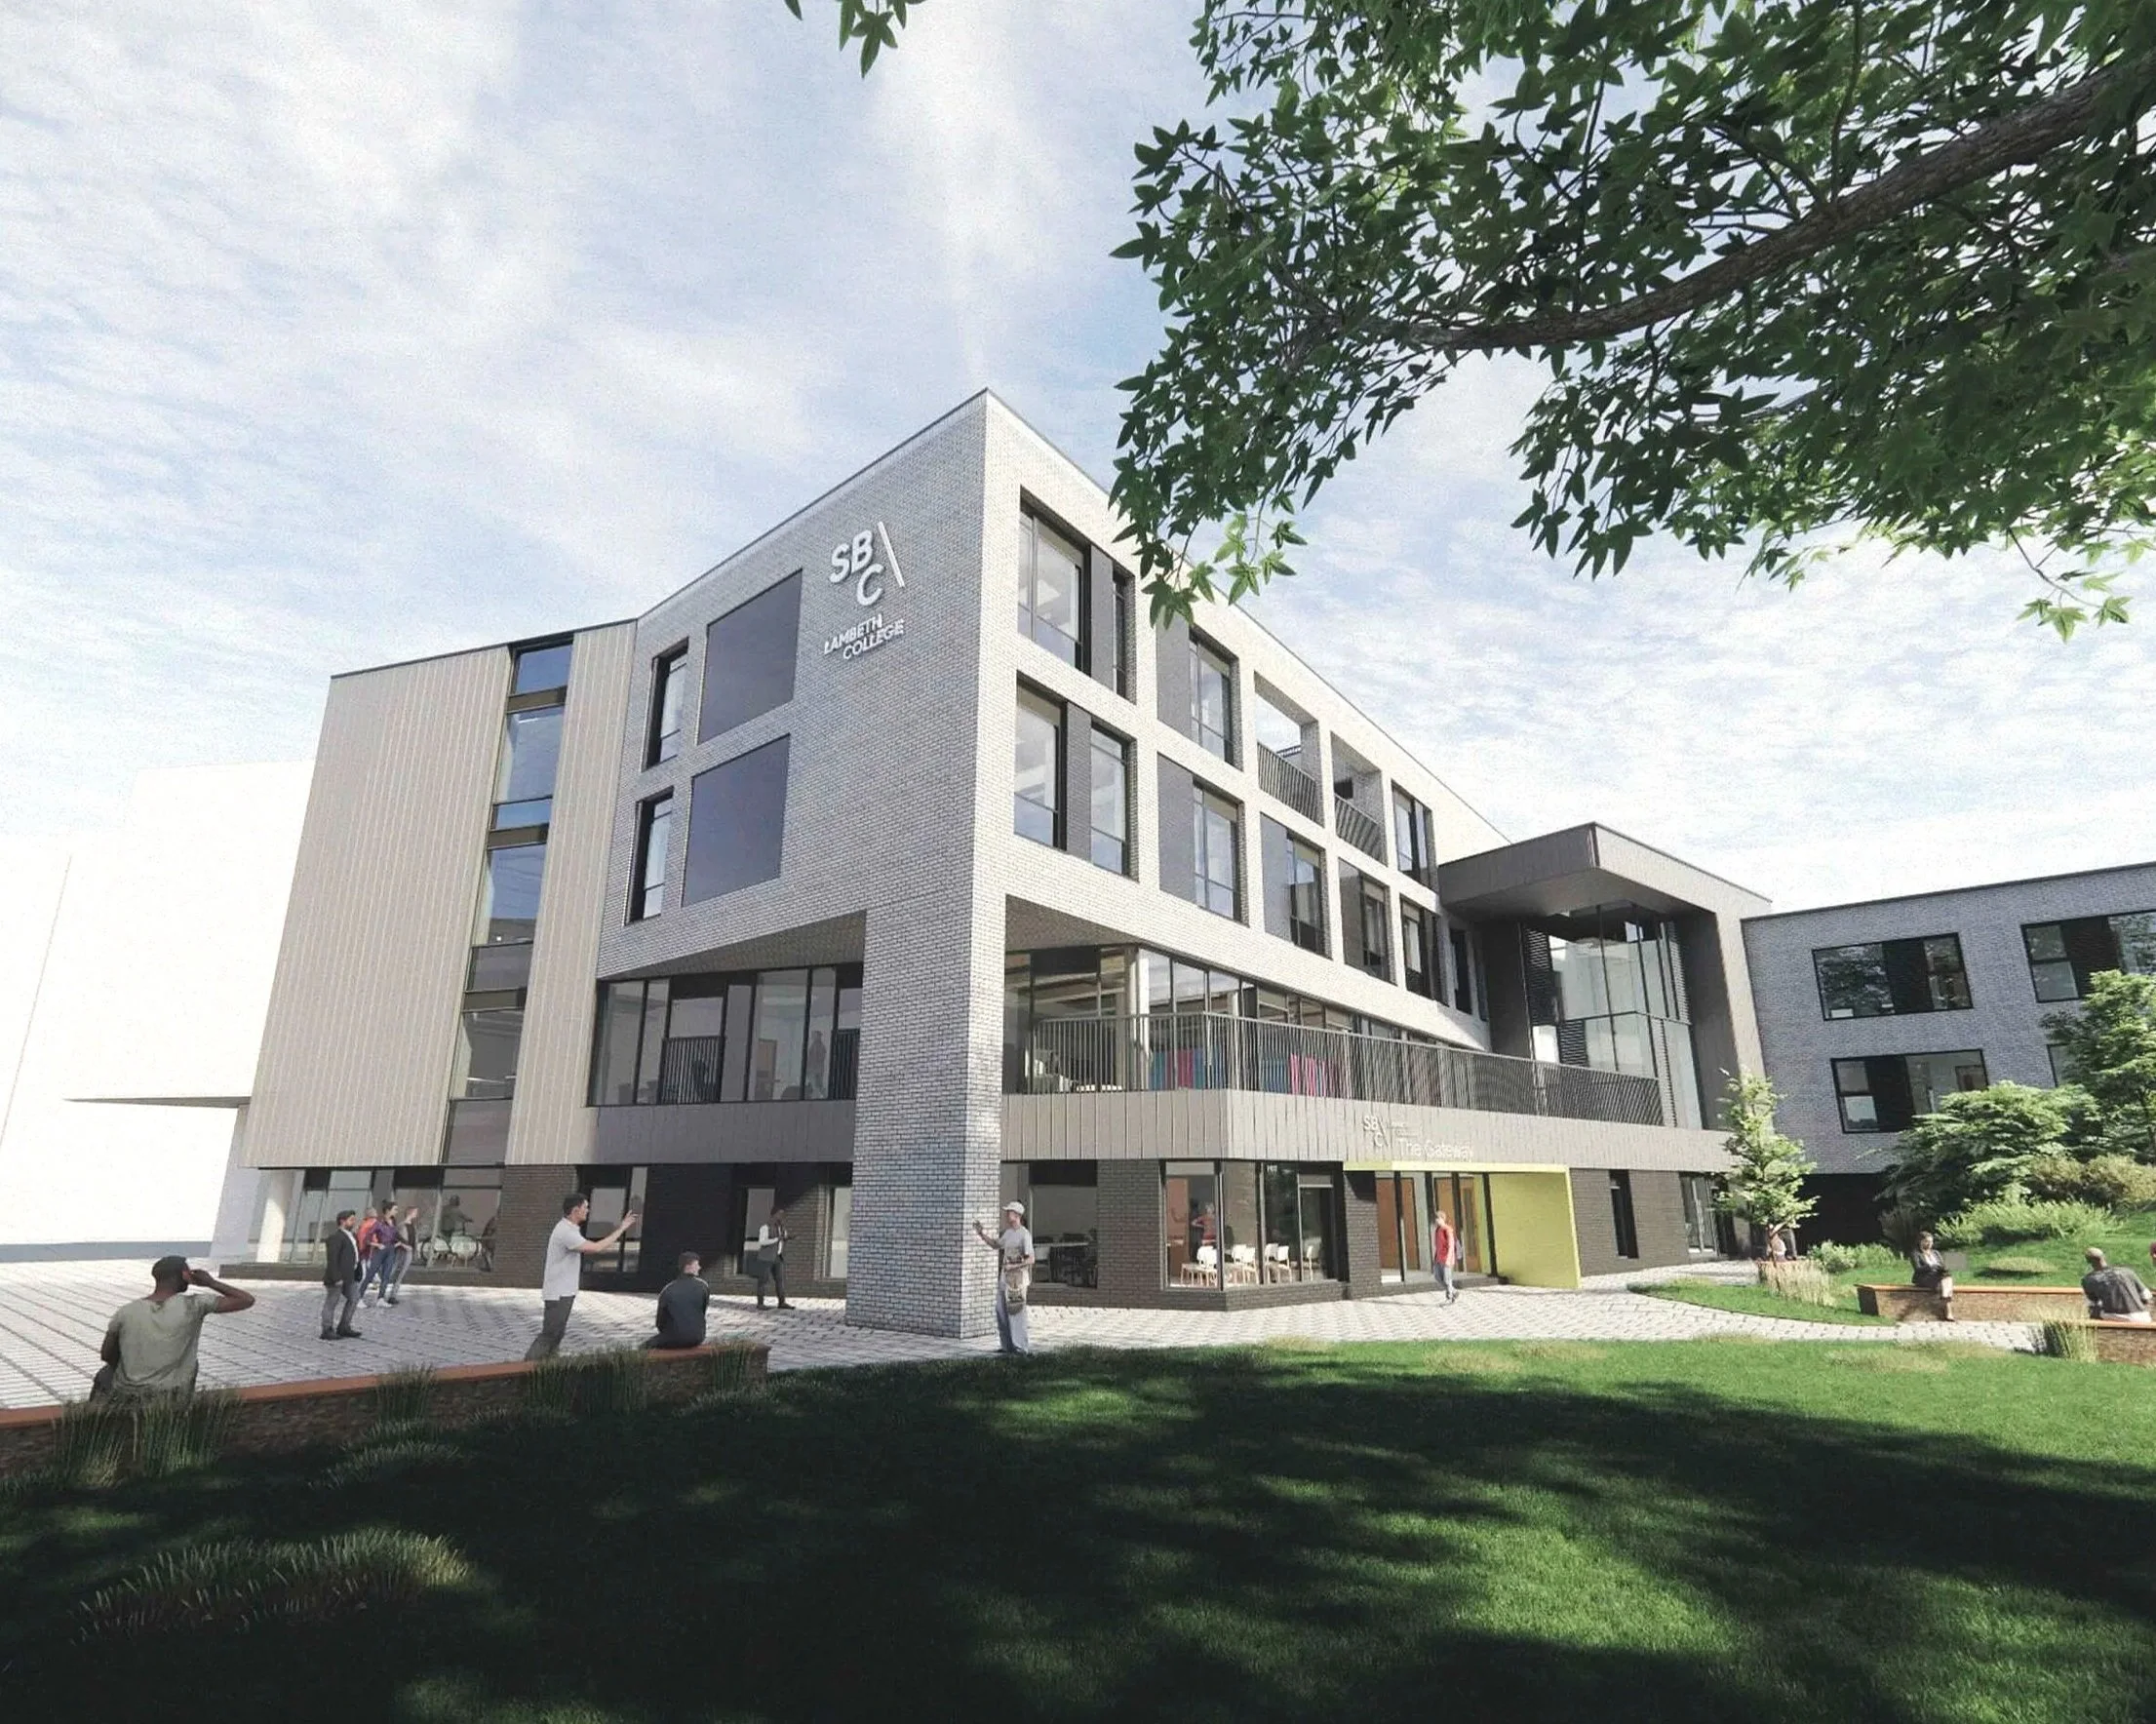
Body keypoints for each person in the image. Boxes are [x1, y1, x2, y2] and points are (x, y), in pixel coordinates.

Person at [93, 1256, 255, 1400]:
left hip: (127, 1393)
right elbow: (246, 1300)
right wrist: (210, 1282)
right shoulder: (194, 1305)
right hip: (171, 1395)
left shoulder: (126, 1311)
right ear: (185, 1275)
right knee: (192, 1363)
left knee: (105, 1374)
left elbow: (107, 1354)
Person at [526, 1192, 639, 1360]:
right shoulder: (565, 1232)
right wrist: (622, 1228)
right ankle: (526, 1369)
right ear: (575, 1210)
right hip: (558, 1294)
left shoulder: (570, 1229)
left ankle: (546, 1369)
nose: (588, 1210)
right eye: (585, 1207)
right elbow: (596, 1248)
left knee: (556, 1335)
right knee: (550, 1334)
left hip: (565, 1292)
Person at [973, 1200, 1035, 1355]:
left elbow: (1030, 1259)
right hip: (1004, 1280)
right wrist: (981, 1233)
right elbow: (996, 1244)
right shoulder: (1008, 1233)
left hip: (1017, 1281)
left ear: (1017, 1215)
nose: (1007, 1215)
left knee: (1016, 1312)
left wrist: (1013, 1266)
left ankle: (1020, 1348)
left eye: (1010, 1212)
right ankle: (1006, 1346)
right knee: (1001, 1311)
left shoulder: (1024, 1235)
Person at [647, 1251, 712, 1350]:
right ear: (688, 1266)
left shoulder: (668, 1289)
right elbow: (702, 1312)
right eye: (697, 1264)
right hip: (698, 1337)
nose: (699, 1267)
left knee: (646, 1345)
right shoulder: (703, 1286)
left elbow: (660, 1322)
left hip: (674, 1337)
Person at [322, 1208, 364, 1339]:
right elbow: (332, 1260)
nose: (354, 1222)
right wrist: (336, 1277)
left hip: (350, 1276)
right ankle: (327, 1329)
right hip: (338, 1277)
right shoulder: (335, 1238)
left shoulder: (353, 1236)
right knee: (332, 1302)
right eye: (351, 1220)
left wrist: (358, 1272)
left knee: (354, 1298)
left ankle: (344, 1326)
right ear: (342, 1221)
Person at [2082, 1248, 2153, 1322]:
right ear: (2104, 1257)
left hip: (2116, 1317)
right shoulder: (2127, 1272)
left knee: (2093, 1310)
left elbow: (2093, 1304)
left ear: (2088, 1261)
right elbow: (2146, 1296)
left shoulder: (2088, 1279)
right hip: (2143, 1317)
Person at [357, 1200, 402, 1307]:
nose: (396, 1212)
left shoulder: (393, 1223)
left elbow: (395, 1236)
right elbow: (367, 1238)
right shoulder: (378, 1224)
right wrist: (377, 1245)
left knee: (386, 1276)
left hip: (390, 1250)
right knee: (370, 1274)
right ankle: (359, 1298)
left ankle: (380, 1299)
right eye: (395, 1209)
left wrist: (398, 1243)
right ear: (388, 1210)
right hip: (380, 1250)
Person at [753, 1207, 794, 1310]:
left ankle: (782, 1302)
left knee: (780, 1280)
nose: (781, 1217)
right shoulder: (765, 1227)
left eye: (782, 1215)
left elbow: (783, 1238)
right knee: (763, 1281)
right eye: (779, 1214)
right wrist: (776, 1239)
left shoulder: (782, 1228)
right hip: (766, 1258)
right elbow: (762, 1242)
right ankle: (760, 1303)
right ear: (773, 1215)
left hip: (778, 1257)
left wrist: (787, 1238)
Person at [1909, 1230, 1954, 1322]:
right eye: (1927, 1241)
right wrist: (1930, 1266)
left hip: (1938, 1275)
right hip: (1924, 1277)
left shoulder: (1936, 1253)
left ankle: (1944, 1298)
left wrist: (1943, 1267)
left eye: (1931, 1241)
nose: (1929, 1244)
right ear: (1921, 1242)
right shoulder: (1916, 1253)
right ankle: (1947, 1308)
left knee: (1947, 1277)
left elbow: (1942, 1265)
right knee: (1945, 1280)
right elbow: (1917, 1269)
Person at [1431, 1208, 1460, 1305]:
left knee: (1447, 1279)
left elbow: (1451, 1246)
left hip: (1447, 1259)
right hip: (1438, 1259)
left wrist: (1448, 1259)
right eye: (1435, 1219)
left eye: (1438, 1218)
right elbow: (1437, 1246)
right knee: (1438, 1277)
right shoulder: (1437, 1230)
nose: (1436, 1220)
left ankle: (1450, 1297)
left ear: (1442, 1219)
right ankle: (1454, 1291)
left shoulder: (1447, 1230)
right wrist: (1435, 1259)